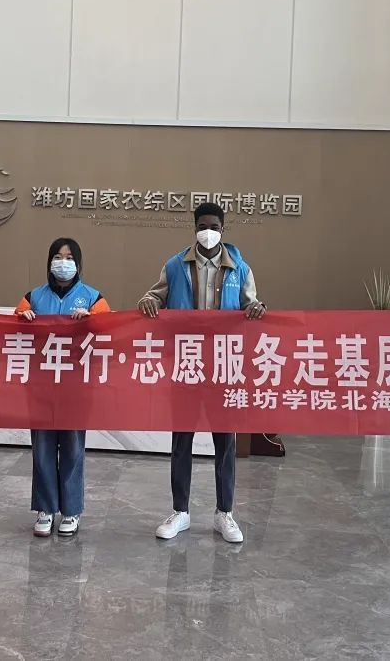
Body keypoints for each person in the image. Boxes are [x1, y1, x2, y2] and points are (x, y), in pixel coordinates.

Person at [139, 202, 266, 544]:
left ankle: (225, 513)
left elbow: (250, 304)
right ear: (194, 228)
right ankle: (180, 511)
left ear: (223, 229)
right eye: (202, 226)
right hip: (187, 365)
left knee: (225, 441)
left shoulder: (240, 268)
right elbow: (154, 296)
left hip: (224, 366)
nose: (208, 232)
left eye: (214, 226)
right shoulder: (175, 266)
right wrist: (148, 301)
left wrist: (256, 308)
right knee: (181, 440)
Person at [15, 238, 111, 537]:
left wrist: (92, 321)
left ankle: (71, 510)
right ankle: (45, 508)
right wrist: (22, 319)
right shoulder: (33, 297)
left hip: (76, 387)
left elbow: (111, 331)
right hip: (41, 386)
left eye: (69, 258)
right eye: (57, 257)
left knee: (72, 447)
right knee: (42, 448)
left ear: (78, 264)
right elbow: (13, 331)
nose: (63, 262)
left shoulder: (94, 298)